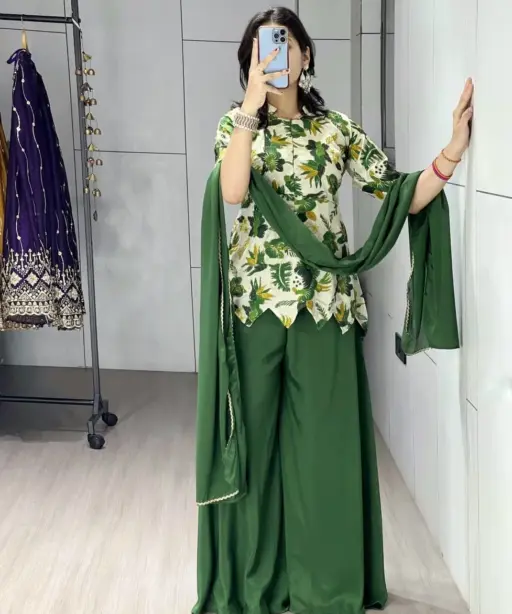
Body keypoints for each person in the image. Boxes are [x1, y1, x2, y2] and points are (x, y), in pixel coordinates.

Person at [193, 7, 473, 614]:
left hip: (327, 306)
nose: (277, 57)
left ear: (306, 55)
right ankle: (255, 583)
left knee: (326, 449)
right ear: (250, 62)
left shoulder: (337, 130)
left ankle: (325, 583)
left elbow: (399, 194)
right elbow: (233, 191)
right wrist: (251, 107)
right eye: (263, 49)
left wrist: (450, 152)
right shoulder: (236, 127)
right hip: (255, 308)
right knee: (255, 448)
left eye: (286, 45)